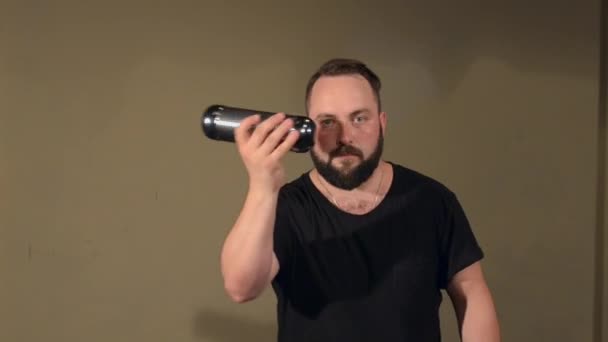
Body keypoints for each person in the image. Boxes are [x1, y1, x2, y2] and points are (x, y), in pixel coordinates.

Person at [219, 58, 500, 341]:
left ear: (381, 124)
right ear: (308, 131)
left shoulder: (432, 200)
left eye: (359, 118)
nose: (344, 137)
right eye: (327, 122)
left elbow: (472, 292)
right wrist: (262, 187)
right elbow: (241, 288)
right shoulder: (285, 206)